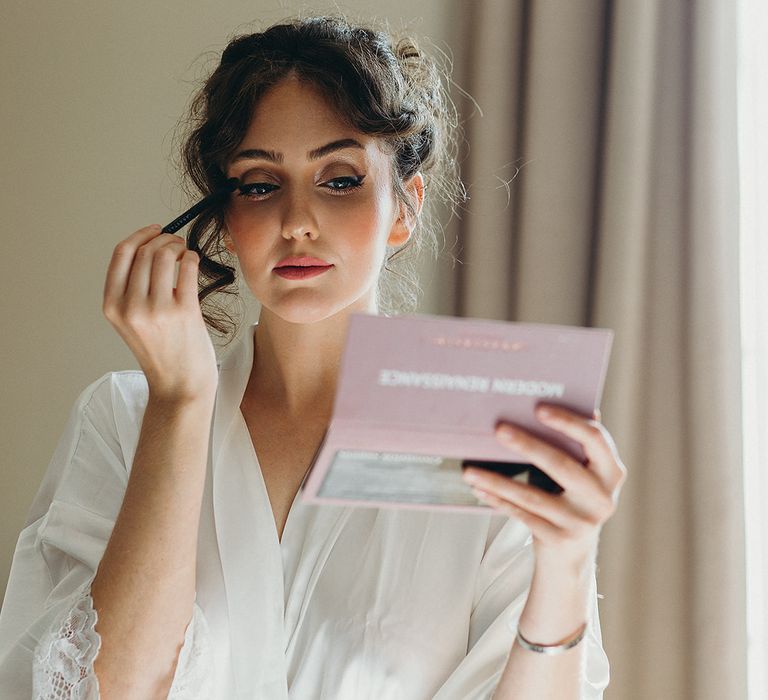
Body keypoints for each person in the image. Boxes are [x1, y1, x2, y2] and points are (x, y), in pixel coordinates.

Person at [0, 15, 626, 699]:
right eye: (261, 184)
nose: (297, 220)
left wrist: (567, 561)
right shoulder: (122, 421)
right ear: (223, 221)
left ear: (403, 209)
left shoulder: (493, 436)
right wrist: (180, 405)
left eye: (339, 179)